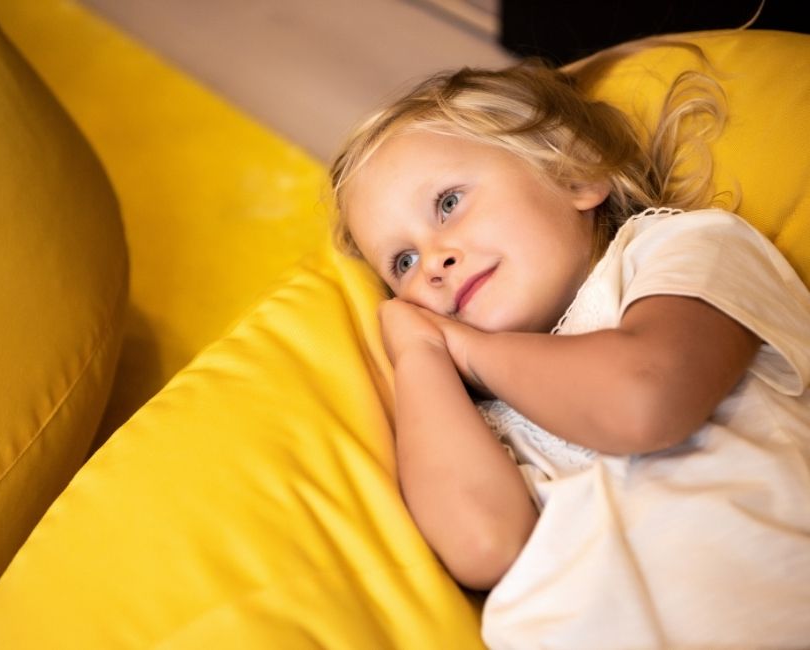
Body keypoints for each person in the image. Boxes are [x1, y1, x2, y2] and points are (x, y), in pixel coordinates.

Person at [328, 40, 810, 649]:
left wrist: (466, 348)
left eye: (449, 203)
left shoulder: (681, 252)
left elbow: (642, 402)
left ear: (574, 173)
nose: (433, 261)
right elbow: (482, 544)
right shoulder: (475, 411)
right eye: (402, 262)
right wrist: (420, 357)